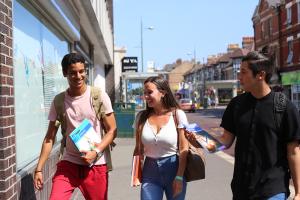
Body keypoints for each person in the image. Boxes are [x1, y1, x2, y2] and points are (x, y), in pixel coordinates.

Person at [187, 51, 300, 199]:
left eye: (244, 72)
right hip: (242, 188)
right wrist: (198, 139)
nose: (239, 77)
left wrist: (298, 192)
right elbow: (225, 141)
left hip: (272, 188)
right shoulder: (236, 104)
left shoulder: (284, 107)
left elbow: (293, 151)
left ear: (260, 75)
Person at [33, 52, 117, 200]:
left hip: (95, 165)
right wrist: (39, 169)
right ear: (65, 73)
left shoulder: (98, 96)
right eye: (73, 73)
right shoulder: (59, 101)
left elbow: (112, 130)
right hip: (68, 164)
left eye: (81, 71)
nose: (78, 76)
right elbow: (49, 138)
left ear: (85, 71)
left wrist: (96, 151)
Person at [133, 76, 189, 200]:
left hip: (174, 170)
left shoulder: (178, 115)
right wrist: (135, 174)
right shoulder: (141, 117)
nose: (146, 96)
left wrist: (179, 177)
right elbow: (138, 149)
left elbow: (184, 148)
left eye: (150, 92)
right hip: (150, 173)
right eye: (144, 93)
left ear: (163, 93)